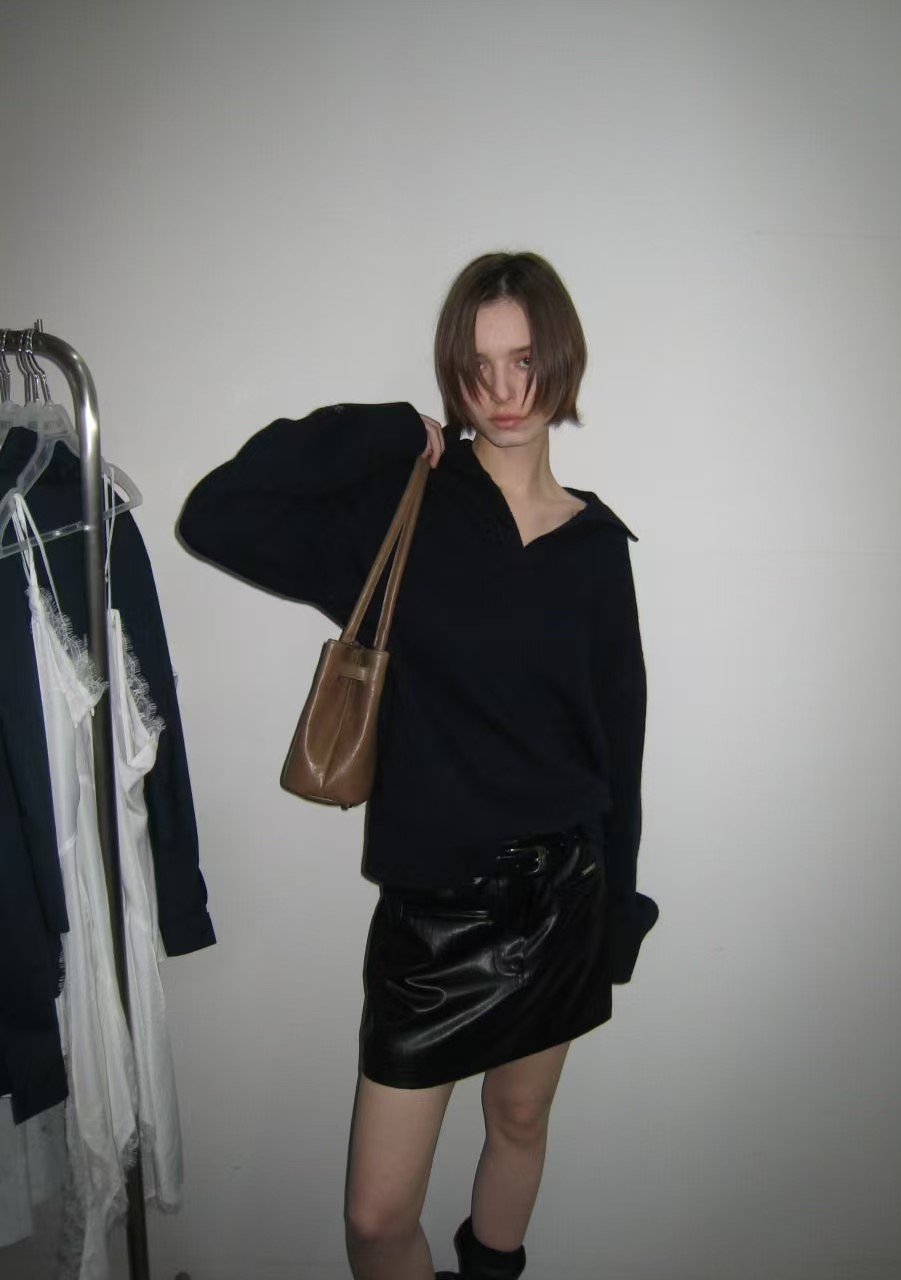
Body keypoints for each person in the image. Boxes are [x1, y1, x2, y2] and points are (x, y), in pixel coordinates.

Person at [177, 251, 658, 1280]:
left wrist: (618, 907)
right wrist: (389, 430)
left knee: (519, 1122)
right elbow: (213, 512)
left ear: (562, 362)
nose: (505, 390)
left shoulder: (597, 548)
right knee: (376, 1216)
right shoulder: (405, 511)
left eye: (525, 360)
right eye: (479, 367)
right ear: (454, 375)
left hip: (562, 896)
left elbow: (621, 749)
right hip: (431, 917)